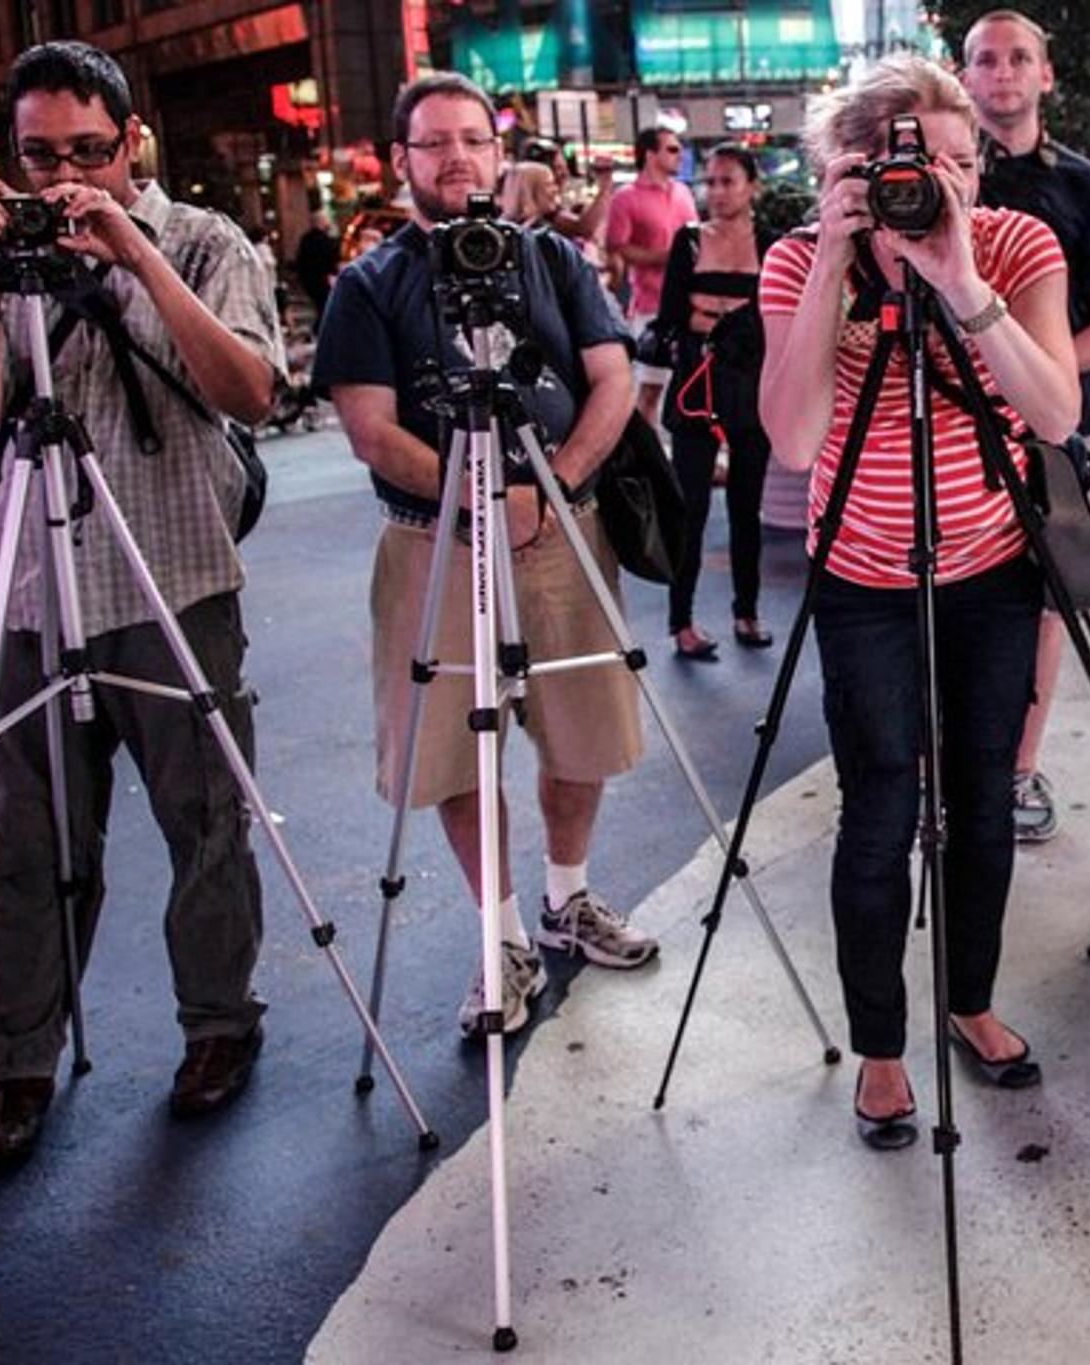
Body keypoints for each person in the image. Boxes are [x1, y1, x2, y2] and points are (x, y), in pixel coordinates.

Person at [0, 40, 284, 1172]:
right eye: (40, 157)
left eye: (88, 150)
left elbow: (250, 390)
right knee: (25, 841)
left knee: (204, 825)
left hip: (173, 576)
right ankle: (12, 1066)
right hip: (35, 594)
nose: (64, 176)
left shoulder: (202, 239)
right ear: (12, 158)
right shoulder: (3, 252)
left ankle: (218, 1026)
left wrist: (133, 252)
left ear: (132, 141)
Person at [758, 53, 1080, 1149]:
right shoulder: (804, 259)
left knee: (983, 800)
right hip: (861, 578)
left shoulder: (1012, 245)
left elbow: (1050, 412)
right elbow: (794, 440)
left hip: (990, 567)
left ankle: (968, 1001)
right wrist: (836, 263)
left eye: (956, 163)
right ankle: (881, 1050)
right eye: (907, 163)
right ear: (844, 170)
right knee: (879, 813)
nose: (937, 184)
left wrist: (956, 279)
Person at [313, 72, 656, 1043]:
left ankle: (567, 896)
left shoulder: (553, 262)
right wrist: (478, 500)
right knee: (458, 749)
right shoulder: (369, 284)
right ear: (402, 162)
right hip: (431, 544)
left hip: (562, 528)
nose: (456, 155)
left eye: (471, 138)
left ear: (498, 151)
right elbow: (371, 431)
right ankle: (499, 932)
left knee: (583, 725)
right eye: (434, 143)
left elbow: (610, 378)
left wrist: (554, 485)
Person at [959, 7, 1090, 844]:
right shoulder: (947, 181)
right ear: (964, 77)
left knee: (1046, 608)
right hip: (959, 433)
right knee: (959, 600)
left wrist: (1045, 381)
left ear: (1044, 75)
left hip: (1061, 436)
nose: (1002, 73)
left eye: (1018, 58)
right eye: (986, 59)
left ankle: (1018, 771)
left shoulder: (1085, 186)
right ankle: (949, 770)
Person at [652, 142, 777, 661]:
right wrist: (723, 318)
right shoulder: (687, 242)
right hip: (696, 385)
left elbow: (772, 318)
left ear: (752, 187)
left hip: (750, 390)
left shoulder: (771, 244)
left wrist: (714, 316)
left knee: (748, 508)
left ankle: (746, 611)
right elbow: (670, 320)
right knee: (691, 508)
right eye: (711, 182)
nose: (717, 192)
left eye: (728, 181)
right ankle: (681, 621)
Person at [605, 126, 697, 426]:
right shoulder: (626, 197)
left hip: (689, 305)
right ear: (650, 154)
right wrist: (666, 259)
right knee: (650, 390)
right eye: (671, 149)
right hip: (650, 306)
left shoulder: (683, 192)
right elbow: (616, 247)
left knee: (690, 383)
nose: (679, 154)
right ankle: (650, 464)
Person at [293, 207, 340, 331]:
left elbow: (300, 260)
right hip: (322, 278)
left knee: (322, 306)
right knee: (325, 306)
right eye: (327, 220)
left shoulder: (306, 239)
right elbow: (331, 259)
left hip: (310, 279)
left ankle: (319, 329)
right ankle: (321, 330)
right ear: (322, 222)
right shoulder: (324, 240)